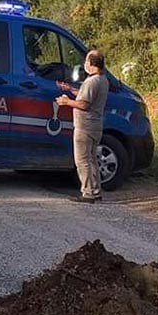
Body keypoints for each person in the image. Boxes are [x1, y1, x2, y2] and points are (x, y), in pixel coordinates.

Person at [56, 49, 109, 203]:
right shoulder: (102, 80)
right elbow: (87, 95)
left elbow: (84, 104)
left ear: (91, 63)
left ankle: (88, 193)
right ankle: (96, 191)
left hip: (85, 126)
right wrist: (70, 89)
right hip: (96, 125)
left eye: (86, 60)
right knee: (92, 159)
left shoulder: (91, 81)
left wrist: (66, 102)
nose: (84, 63)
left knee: (82, 160)